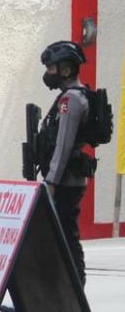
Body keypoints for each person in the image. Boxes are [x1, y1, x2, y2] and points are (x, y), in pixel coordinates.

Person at [39, 40, 92, 285]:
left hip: (65, 182)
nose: (48, 73)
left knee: (66, 235)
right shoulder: (72, 97)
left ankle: (75, 285)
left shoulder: (71, 100)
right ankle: (67, 285)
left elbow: (63, 145)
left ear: (66, 70)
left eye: (51, 68)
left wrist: (51, 180)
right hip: (68, 179)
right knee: (62, 233)